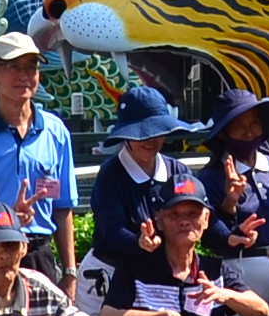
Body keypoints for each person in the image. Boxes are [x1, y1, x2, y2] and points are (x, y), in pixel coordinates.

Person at [100, 175, 269, 316]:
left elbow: (261, 309)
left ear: (206, 219)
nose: (184, 222)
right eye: (174, 215)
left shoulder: (214, 270)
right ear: (159, 221)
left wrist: (224, 295)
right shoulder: (136, 267)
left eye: (193, 214)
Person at [0, 31, 81, 280]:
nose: (24, 76)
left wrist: (69, 272)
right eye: (14, 67)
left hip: (39, 254)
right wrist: (6, 219)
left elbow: (63, 207)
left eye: (31, 67)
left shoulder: (55, 132)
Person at [197, 89, 269, 316]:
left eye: (255, 123)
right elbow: (211, 235)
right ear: (223, 133)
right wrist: (230, 202)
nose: (249, 132)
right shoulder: (211, 177)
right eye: (240, 125)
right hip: (242, 272)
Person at [83, 84, 195, 301]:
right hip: (108, 274)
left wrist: (229, 213)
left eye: (157, 132)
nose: (151, 140)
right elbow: (112, 230)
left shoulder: (178, 171)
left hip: (159, 278)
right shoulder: (110, 174)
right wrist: (139, 242)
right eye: (142, 134)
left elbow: (200, 216)